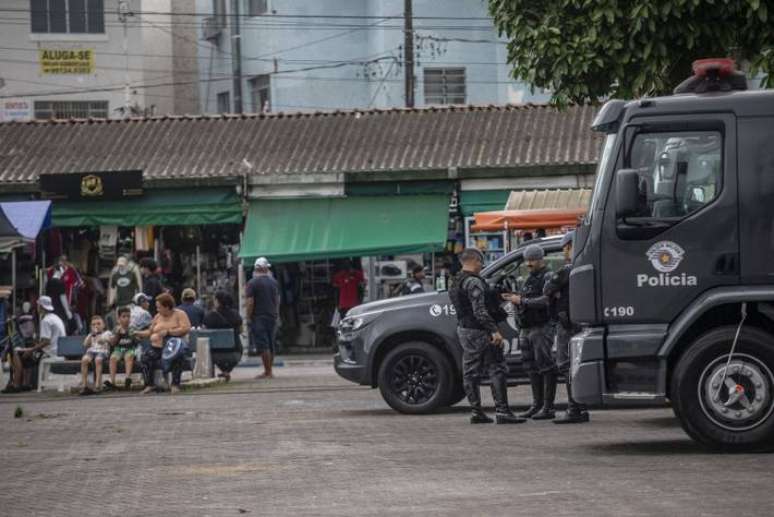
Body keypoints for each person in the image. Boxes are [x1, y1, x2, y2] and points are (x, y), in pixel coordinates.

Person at [448, 248, 525, 424]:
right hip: (480, 331)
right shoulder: (473, 282)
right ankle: (503, 411)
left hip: (464, 330)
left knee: (470, 372)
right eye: (481, 262)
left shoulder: (455, 281)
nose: (482, 265)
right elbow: (480, 311)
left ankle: (476, 412)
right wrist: (494, 330)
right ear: (475, 261)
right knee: (496, 367)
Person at [502, 244, 557, 420]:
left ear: (541, 259)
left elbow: (546, 301)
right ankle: (537, 405)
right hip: (527, 328)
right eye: (527, 260)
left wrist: (522, 300)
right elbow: (527, 298)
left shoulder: (548, 276)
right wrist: (514, 298)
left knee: (546, 366)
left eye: (532, 260)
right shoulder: (529, 278)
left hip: (541, 327)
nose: (529, 263)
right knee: (530, 367)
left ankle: (548, 407)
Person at [545, 231, 590, 424]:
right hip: (581, 322)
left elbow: (547, 289)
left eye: (566, 248)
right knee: (576, 365)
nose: (565, 252)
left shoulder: (566, 270)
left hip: (567, 325)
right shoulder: (586, 266)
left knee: (566, 365)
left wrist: (555, 293)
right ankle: (581, 408)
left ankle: (574, 409)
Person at [2, 297, 65, 394]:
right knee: (25, 352)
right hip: (58, 350)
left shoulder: (46, 321)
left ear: (41, 307)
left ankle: (16, 385)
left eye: (38, 306)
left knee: (16, 352)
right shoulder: (56, 317)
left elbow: (46, 342)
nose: (36, 308)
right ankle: (26, 383)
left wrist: (30, 350)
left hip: (50, 352)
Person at [138, 293, 191, 394]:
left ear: (167, 307)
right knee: (145, 358)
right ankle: (149, 384)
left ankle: (175, 384)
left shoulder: (180, 314)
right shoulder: (157, 316)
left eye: (159, 307)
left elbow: (185, 328)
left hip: (174, 347)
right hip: (157, 347)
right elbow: (150, 332)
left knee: (177, 358)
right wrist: (138, 333)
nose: (157, 310)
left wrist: (169, 332)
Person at [246, 257, 279, 379]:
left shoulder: (252, 283)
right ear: (265, 268)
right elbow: (277, 299)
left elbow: (250, 302)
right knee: (270, 344)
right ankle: (269, 370)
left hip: (258, 317)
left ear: (256, 268)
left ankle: (268, 372)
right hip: (272, 316)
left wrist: (248, 317)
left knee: (263, 344)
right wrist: (276, 312)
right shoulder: (273, 282)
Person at [202, 291, 243, 381]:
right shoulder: (235, 314)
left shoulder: (210, 316)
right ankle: (226, 371)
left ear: (217, 301)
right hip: (235, 353)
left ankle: (224, 372)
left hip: (215, 355)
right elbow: (240, 330)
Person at [79, 315, 113, 395]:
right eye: (93, 324)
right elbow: (85, 345)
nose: (96, 326)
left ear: (103, 325)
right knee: (84, 359)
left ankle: (97, 385)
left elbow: (111, 341)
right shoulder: (91, 335)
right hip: (91, 351)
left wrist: (103, 339)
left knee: (98, 360)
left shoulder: (107, 333)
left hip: (102, 352)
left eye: (98, 324)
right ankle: (84, 385)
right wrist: (91, 336)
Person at [106, 307, 138, 391]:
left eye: (128, 316)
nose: (126, 319)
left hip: (129, 348)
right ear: (119, 319)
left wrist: (133, 335)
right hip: (119, 349)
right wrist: (117, 334)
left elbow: (137, 341)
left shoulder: (133, 328)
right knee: (113, 358)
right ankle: (112, 381)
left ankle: (127, 379)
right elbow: (112, 343)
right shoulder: (116, 329)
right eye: (124, 316)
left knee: (129, 356)